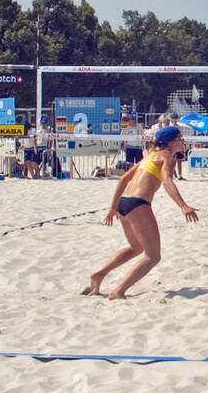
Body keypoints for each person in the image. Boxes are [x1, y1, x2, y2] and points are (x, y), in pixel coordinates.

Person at [85, 125, 199, 300]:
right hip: (138, 204)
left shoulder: (150, 156)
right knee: (153, 256)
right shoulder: (167, 157)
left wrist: (114, 207)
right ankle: (119, 291)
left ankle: (99, 274)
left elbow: (124, 179)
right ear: (170, 142)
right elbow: (168, 181)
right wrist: (183, 206)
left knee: (136, 248)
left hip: (124, 202)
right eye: (180, 138)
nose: (183, 141)